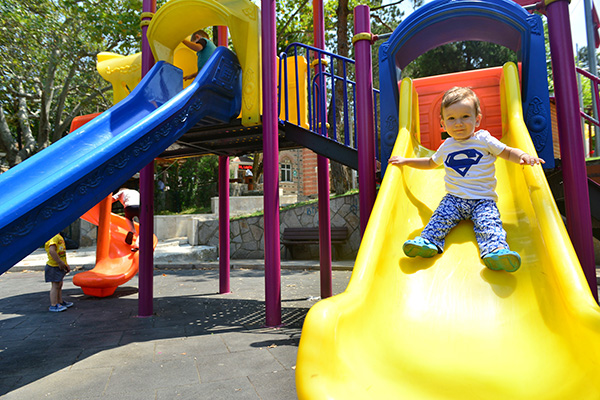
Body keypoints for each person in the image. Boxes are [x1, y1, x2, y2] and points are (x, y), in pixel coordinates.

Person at [388, 86, 545, 272]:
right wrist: (406, 160)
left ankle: (495, 251)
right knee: (439, 218)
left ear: (477, 119)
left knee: (489, 224)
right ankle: (429, 242)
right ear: (443, 124)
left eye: (465, 117)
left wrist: (523, 156)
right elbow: (430, 163)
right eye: (451, 119)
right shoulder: (447, 146)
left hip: (482, 200)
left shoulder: (484, 140)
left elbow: (508, 152)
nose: (458, 123)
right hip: (454, 199)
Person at [45, 233, 73, 312]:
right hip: (53, 266)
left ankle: (59, 302)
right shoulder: (53, 237)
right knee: (55, 285)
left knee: (59, 284)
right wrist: (59, 262)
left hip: (58, 265)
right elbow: (52, 251)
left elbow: (62, 254)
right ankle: (53, 305)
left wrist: (65, 264)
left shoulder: (58, 236)